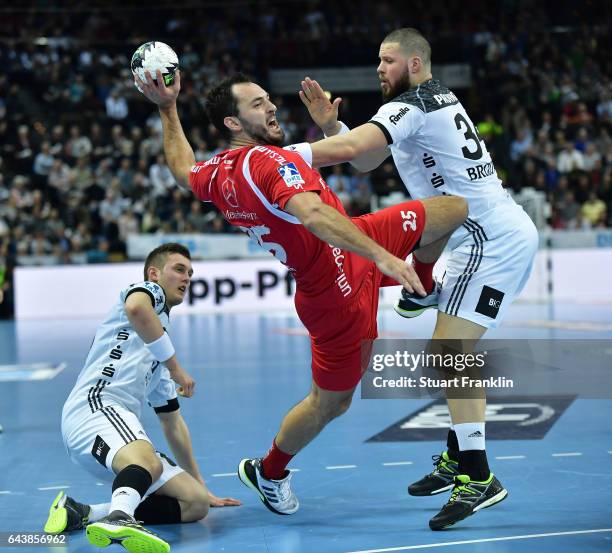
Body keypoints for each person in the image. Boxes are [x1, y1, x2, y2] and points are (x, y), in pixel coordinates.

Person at [135, 69, 467, 519]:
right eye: (257, 104)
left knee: (451, 209)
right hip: (334, 295)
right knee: (332, 402)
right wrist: (386, 259)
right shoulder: (264, 164)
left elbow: (180, 171)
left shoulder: (220, 171)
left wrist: (167, 107)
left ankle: (421, 286)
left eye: (268, 99)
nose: (272, 107)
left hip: (355, 239)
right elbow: (310, 213)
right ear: (233, 123)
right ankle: (269, 471)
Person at [298, 28, 539, 530]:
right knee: (452, 354)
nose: (378, 69)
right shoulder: (428, 101)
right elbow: (366, 159)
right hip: (478, 234)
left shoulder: (413, 103)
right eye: (377, 60)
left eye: (386, 61)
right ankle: (459, 458)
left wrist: (281, 158)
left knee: (449, 353)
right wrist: (331, 126)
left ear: (413, 63)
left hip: (488, 239)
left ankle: (478, 476)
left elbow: (356, 149)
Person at [44, 243, 240, 553]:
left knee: (194, 503)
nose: (186, 278)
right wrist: (177, 368)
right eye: (179, 269)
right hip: (95, 406)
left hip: (113, 437)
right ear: (154, 273)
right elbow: (138, 308)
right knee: (148, 461)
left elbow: (172, 422)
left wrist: (201, 482)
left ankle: (82, 512)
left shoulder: (158, 344)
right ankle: (121, 517)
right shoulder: (146, 292)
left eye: (190, 273)